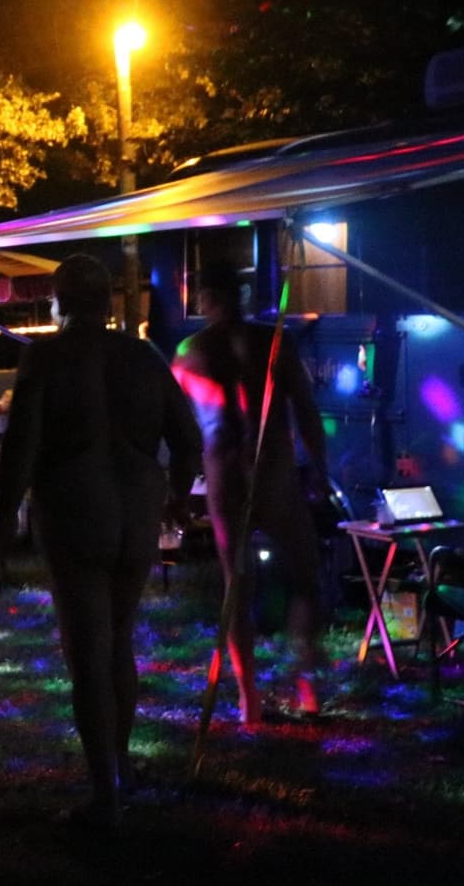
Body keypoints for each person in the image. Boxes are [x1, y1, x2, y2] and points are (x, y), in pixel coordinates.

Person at [0, 254, 202, 827]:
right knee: (119, 642)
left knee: (88, 652)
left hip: (75, 509)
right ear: (108, 303)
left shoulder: (48, 355)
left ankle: (105, 795)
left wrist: (3, 513)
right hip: (135, 512)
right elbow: (187, 440)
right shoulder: (142, 356)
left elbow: (23, 439)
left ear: (59, 301)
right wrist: (177, 497)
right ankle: (119, 769)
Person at [171, 263, 329, 723]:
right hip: (274, 472)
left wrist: (179, 489)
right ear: (238, 297)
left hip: (225, 477)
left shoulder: (189, 351)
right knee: (305, 578)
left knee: (236, 586)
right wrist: (318, 469)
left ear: (205, 301)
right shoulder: (273, 341)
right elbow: (305, 410)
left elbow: (180, 426)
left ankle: (249, 699)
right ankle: (306, 683)